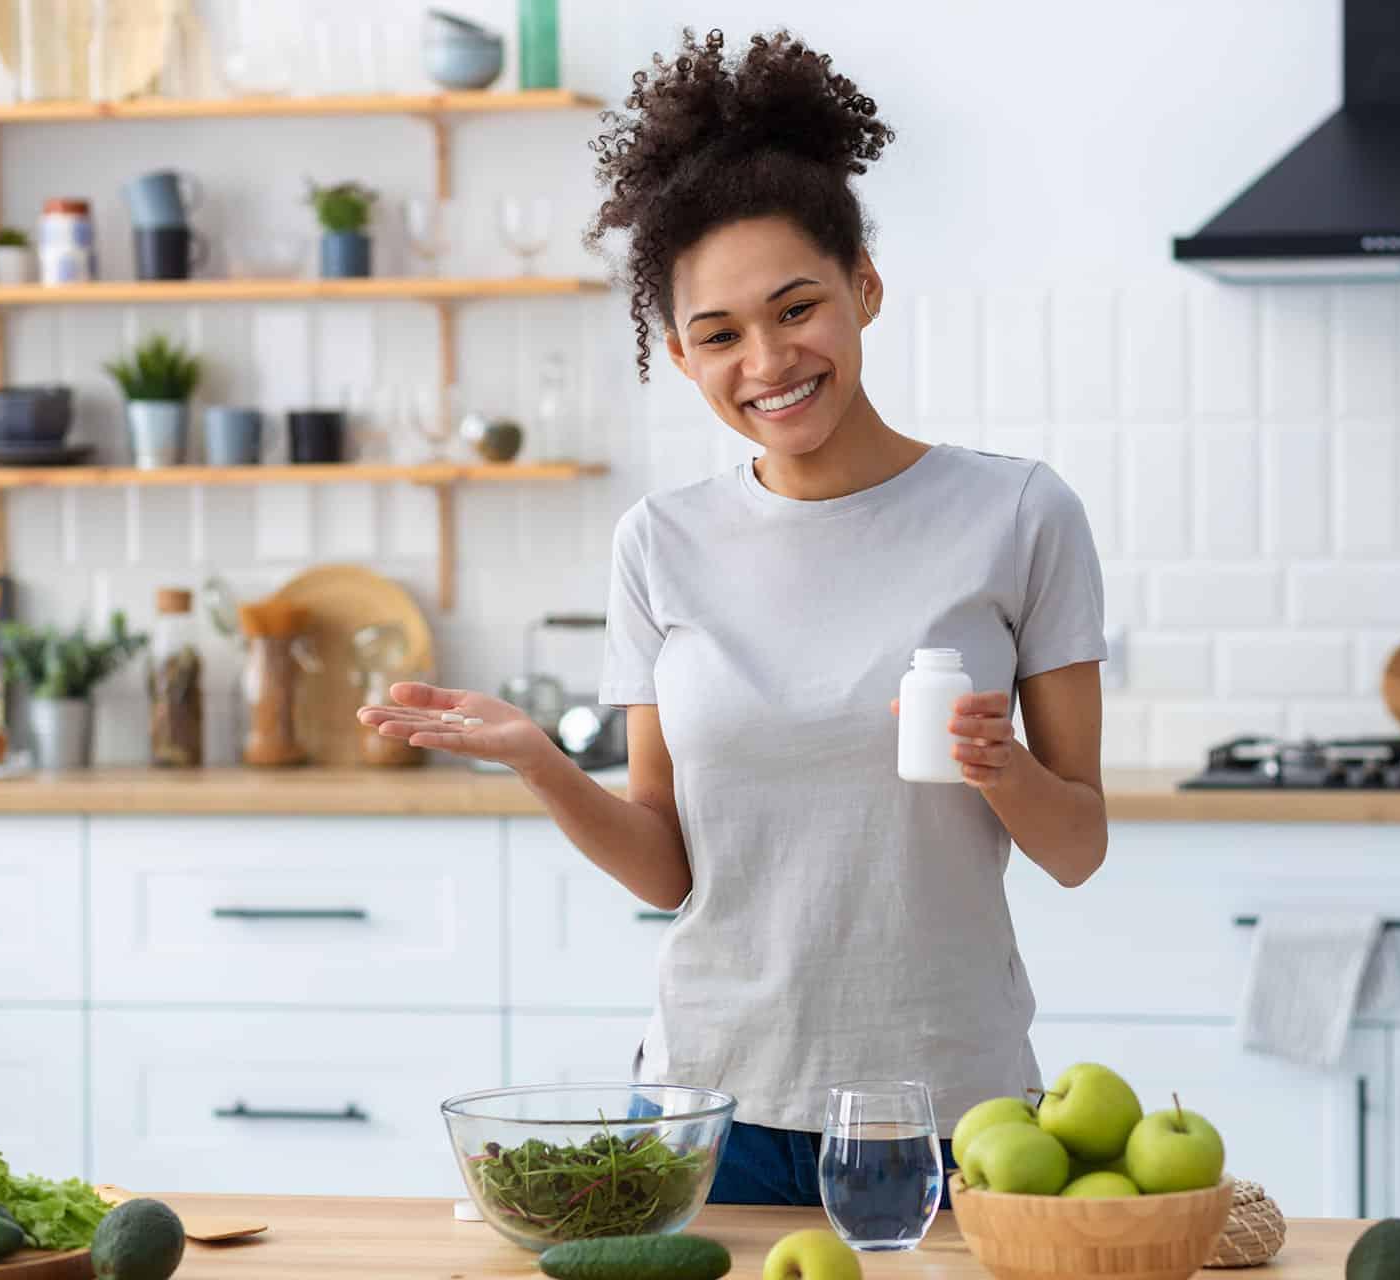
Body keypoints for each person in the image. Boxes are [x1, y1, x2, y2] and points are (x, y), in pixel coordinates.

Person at [357, 27, 1109, 1209]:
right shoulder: (661, 543)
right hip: (711, 1103)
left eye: (796, 306)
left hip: (946, 1109)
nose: (768, 359)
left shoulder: (1017, 513)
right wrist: (541, 760)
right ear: (678, 352)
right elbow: (666, 864)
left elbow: (1078, 845)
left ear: (863, 284)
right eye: (718, 334)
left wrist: (1002, 767)